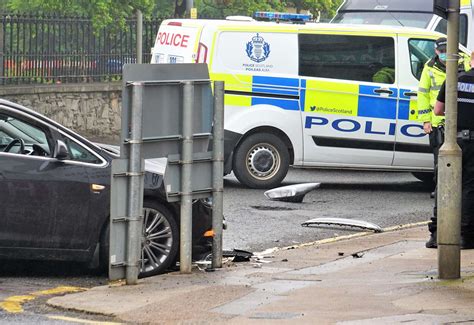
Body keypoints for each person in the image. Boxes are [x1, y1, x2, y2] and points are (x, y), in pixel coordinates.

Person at [418, 37, 471, 248]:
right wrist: (425, 120)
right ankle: (441, 232)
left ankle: (450, 231)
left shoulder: (464, 65)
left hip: (457, 126)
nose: (445, 55)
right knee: (444, 179)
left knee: (460, 183)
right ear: (436, 51)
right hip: (441, 126)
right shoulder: (429, 68)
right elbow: (422, 95)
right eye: (441, 51)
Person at [433, 51, 474, 249]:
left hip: (453, 139)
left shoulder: (454, 80)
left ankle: (438, 234)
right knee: (469, 187)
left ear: (471, 61)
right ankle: (465, 235)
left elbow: (438, 110)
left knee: (445, 185)